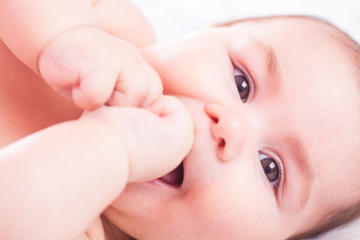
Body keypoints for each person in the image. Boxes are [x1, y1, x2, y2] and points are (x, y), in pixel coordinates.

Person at [1, 1, 360, 240]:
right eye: (242, 82)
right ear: (202, 33)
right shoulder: (110, 30)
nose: (231, 128)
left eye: (271, 170)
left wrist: (115, 149)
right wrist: (63, 35)